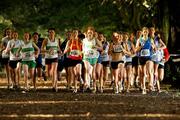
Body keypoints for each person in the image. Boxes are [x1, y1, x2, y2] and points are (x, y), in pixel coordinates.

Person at [82, 27, 102, 93]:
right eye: (88, 32)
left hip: (94, 57)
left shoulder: (95, 40)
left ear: (93, 33)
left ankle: (94, 87)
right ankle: (87, 84)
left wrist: (96, 47)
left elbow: (101, 48)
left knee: (93, 73)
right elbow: (83, 49)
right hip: (86, 57)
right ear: (87, 33)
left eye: (91, 32)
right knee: (88, 70)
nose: (89, 33)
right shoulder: (84, 40)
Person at [135, 27, 154, 94]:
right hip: (141, 57)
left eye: (146, 31)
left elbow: (154, 48)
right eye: (144, 31)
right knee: (143, 74)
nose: (145, 33)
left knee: (149, 71)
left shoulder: (150, 39)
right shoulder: (139, 40)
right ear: (142, 32)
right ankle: (143, 88)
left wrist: (154, 48)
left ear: (148, 32)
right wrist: (141, 46)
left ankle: (150, 84)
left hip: (148, 57)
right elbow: (136, 50)